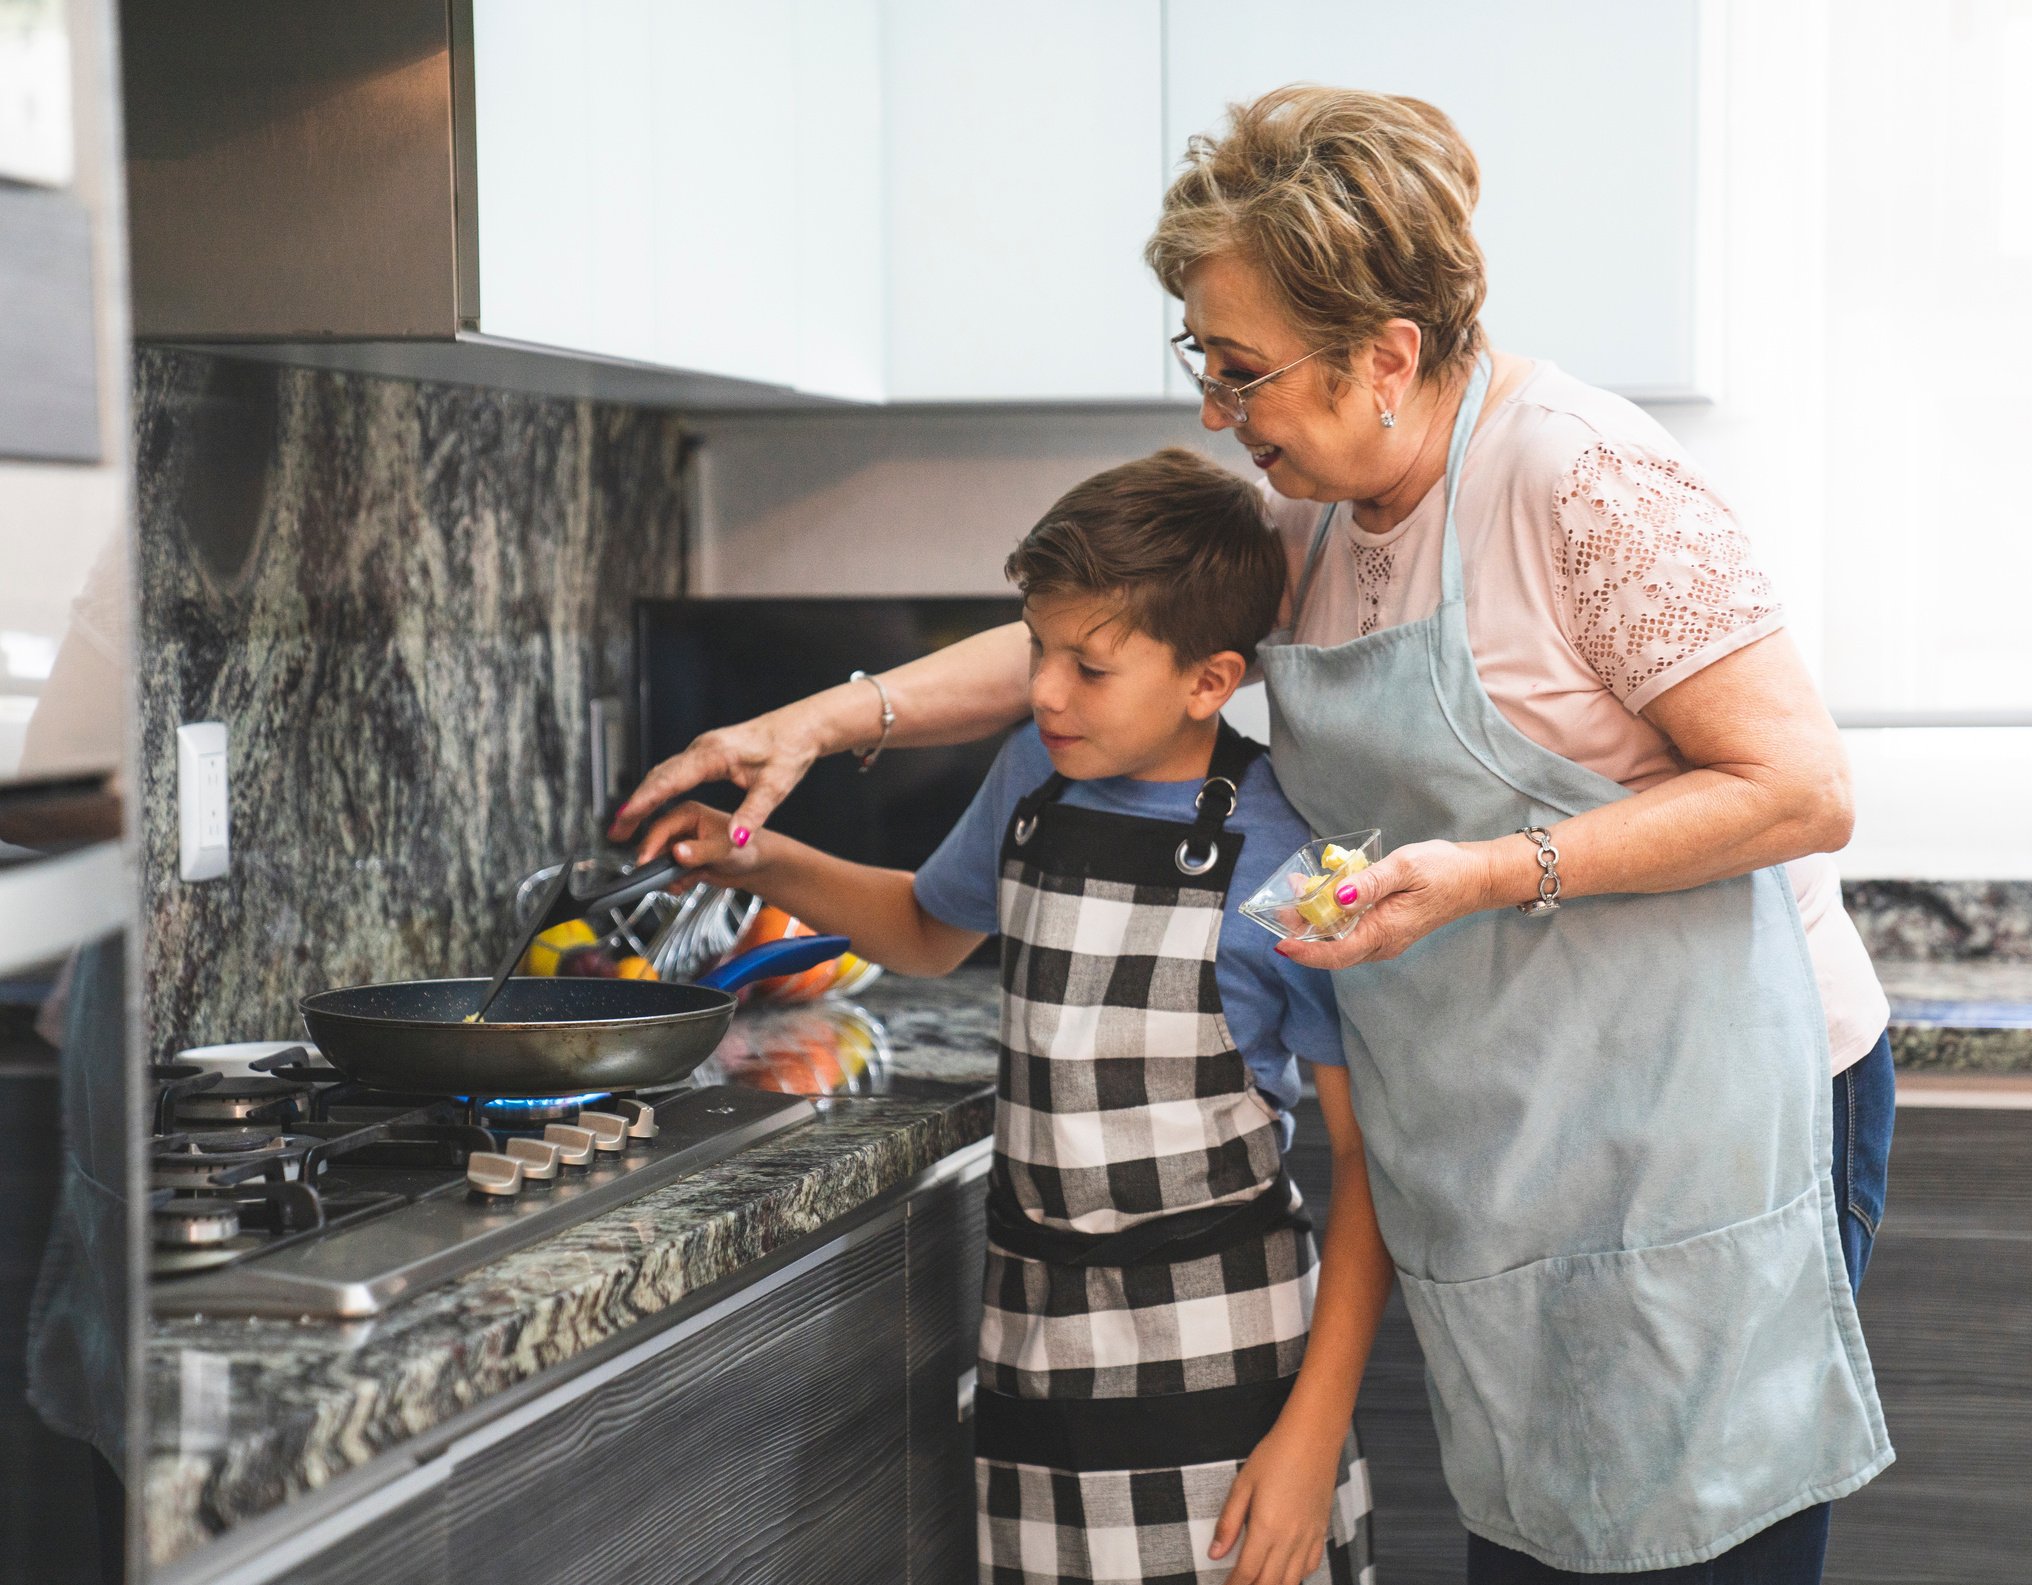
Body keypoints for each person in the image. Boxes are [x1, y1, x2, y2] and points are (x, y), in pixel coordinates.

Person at [618, 87, 1897, 1583]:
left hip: (1704, 1105)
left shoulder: (1580, 482)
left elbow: (1803, 788)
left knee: (1692, 1541)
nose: (1216, 413)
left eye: (1242, 371)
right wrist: (825, 723)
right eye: (1203, 363)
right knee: (1546, 1539)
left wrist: (1490, 870)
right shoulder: (1314, 515)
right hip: (1515, 1095)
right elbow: (1097, 641)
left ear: (1385, 358)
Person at [642, 448, 1381, 1585]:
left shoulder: (1284, 852)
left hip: (1231, 1371)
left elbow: (1371, 1169)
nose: (1043, 689)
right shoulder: (1030, 782)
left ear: (1208, 678)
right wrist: (756, 856)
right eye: (1037, 647)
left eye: (1089, 665)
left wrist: (1312, 1435)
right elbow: (926, 929)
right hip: (1037, 1354)